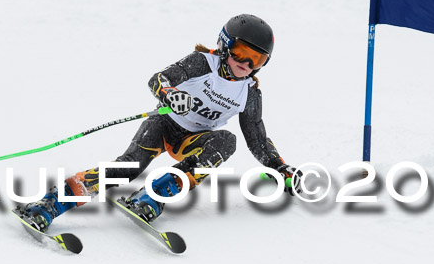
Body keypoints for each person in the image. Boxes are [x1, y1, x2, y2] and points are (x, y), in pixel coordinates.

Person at [19, 14, 303, 232]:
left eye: (256, 59)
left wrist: (280, 168)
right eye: (241, 52)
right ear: (224, 44)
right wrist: (171, 94)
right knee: (126, 168)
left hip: (192, 140)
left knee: (227, 141)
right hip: (163, 124)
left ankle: (152, 196)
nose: (246, 64)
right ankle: (49, 205)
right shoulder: (203, 63)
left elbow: (256, 137)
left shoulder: (249, 92)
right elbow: (159, 79)